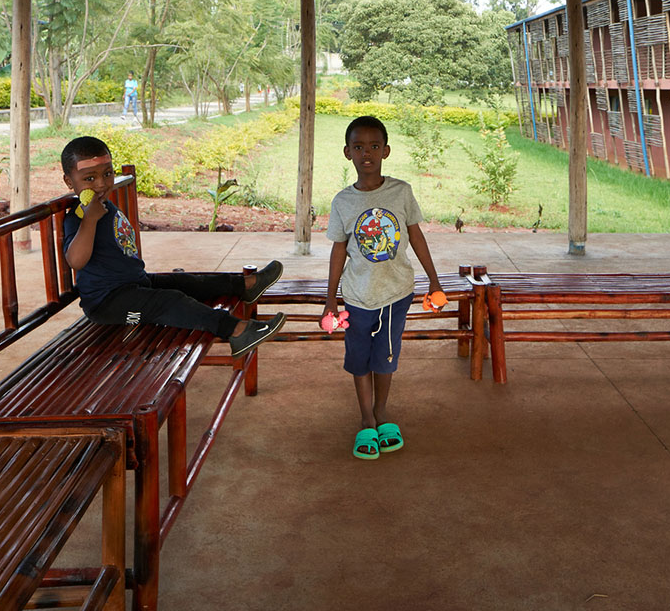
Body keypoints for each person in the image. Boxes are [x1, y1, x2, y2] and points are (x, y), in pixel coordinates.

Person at [61, 135, 285, 355]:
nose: (101, 183)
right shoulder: (78, 218)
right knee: (169, 301)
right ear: (70, 182)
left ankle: (246, 285)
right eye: (89, 179)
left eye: (107, 173)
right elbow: (76, 260)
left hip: (135, 285)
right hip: (109, 306)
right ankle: (236, 330)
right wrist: (89, 220)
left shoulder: (106, 207)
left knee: (183, 282)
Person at [323, 115, 442, 460]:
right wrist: (331, 299)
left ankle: (383, 413)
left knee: (385, 360)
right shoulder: (342, 202)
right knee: (359, 360)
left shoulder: (401, 192)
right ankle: (366, 419)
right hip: (357, 297)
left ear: (386, 151)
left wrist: (433, 280)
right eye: (358, 147)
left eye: (374, 146)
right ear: (347, 152)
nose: (367, 153)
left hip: (395, 294)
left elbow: (416, 236)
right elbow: (339, 248)